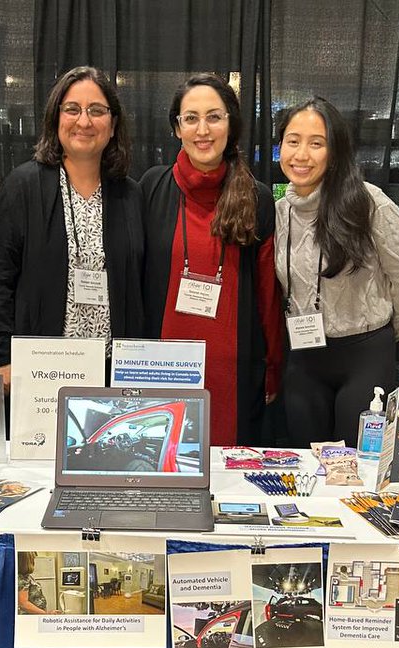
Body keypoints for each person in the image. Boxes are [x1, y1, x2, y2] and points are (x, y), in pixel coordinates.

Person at [140, 74, 283, 447]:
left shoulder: (257, 197)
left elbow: (267, 292)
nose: (203, 130)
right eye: (191, 118)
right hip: (161, 369)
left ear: (231, 124)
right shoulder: (150, 190)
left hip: (233, 372)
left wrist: (273, 366)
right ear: (177, 128)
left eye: (214, 117)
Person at [0, 66, 145, 389]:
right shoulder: (23, 186)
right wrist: (3, 359)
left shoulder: (130, 194)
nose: (84, 121)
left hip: (115, 369)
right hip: (42, 368)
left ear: (112, 125)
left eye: (97, 111)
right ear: (55, 119)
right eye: (72, 109)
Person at [274, 97, 399, 446]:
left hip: (364, 357)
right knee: (305, 465)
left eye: (316, 143)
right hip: (304, 358)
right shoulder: (279, 211)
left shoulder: (369, 204)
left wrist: (388, 333)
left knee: (356, 473)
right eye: (293, 141)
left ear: (335, 150)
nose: (301, 155)